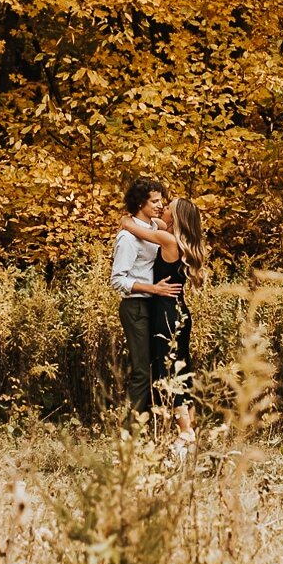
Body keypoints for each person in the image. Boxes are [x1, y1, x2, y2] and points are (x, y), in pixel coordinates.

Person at [116, 195, 207, 449]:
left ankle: (185, 432)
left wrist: (128, 217)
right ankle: (190, 426)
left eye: (167, 209)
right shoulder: (184, 242)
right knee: (182, 368)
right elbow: (155, 221)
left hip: (165, 313)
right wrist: (156, 215)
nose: (161, 211)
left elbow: (132, 227)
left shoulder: (168, 239)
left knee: (167, 372)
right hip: (181, 312)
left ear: (175, 218)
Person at [108, 177, 181, 422]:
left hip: (153, 304)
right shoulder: (127, 238)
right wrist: (154, 289)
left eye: (162, 201)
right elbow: (118, 281)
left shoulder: (152, 229)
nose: (160, 205)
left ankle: (151, 426)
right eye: (155, 201)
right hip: (136, 306)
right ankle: (131, 433)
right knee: (141, 371)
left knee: (156, 366)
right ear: (140, 202)